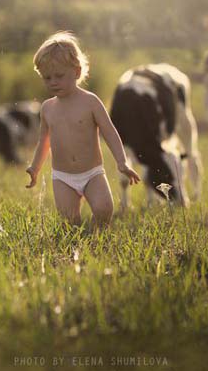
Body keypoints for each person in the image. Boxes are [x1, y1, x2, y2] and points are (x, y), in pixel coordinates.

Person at [25, 31, 140, 226]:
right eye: (47, 78)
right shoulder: (48, 108)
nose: (53, 82)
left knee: (104, 209)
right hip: (62, 177)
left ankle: (96, 237)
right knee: (70, 220)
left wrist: (122, 162)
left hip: (92, 173)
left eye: (59, 76)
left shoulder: (90, 102)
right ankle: (76, 247)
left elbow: (109, 132)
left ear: (77, 72)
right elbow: (44, 141)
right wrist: (35, 168)